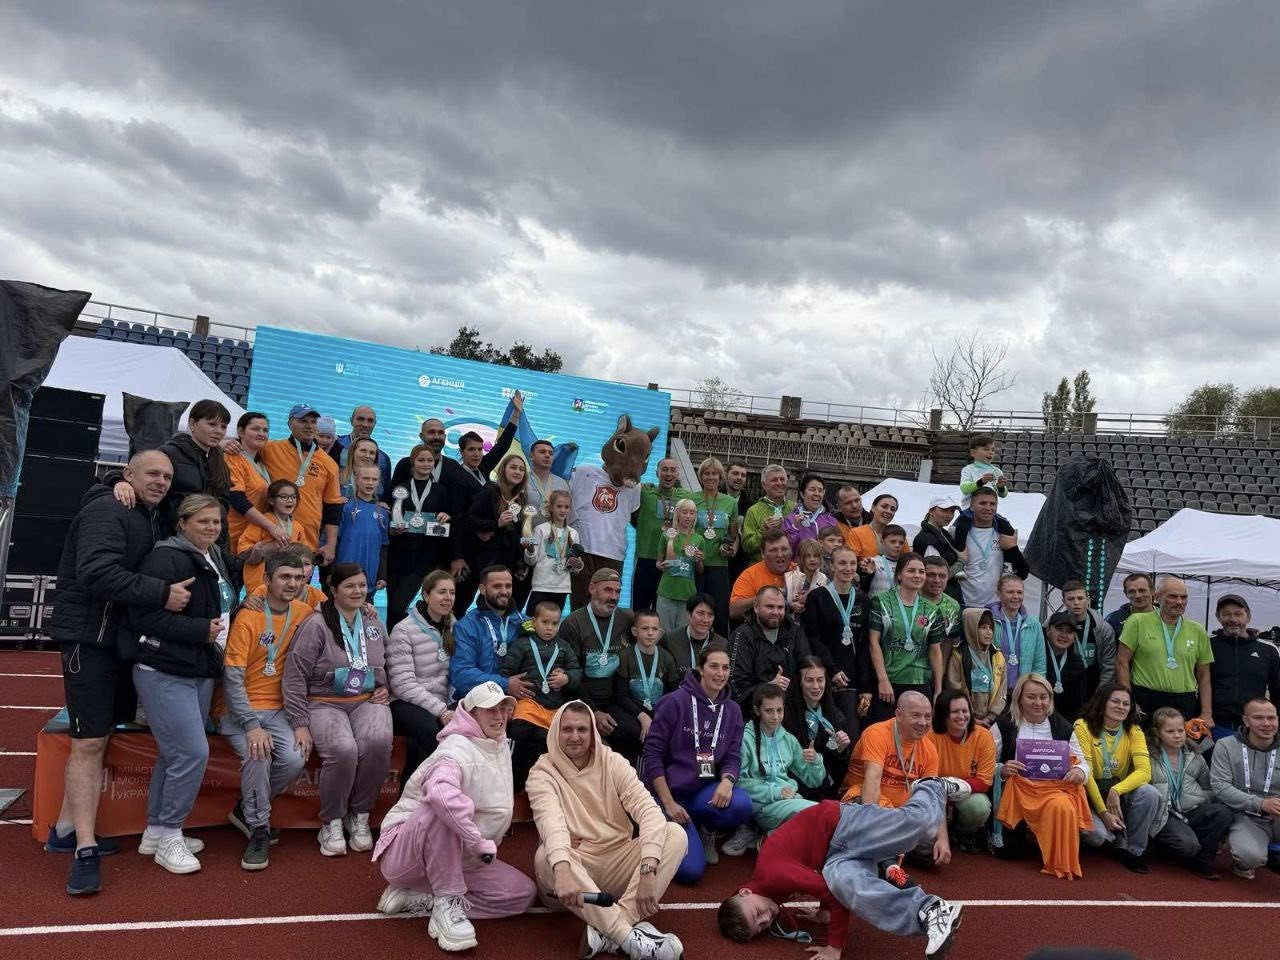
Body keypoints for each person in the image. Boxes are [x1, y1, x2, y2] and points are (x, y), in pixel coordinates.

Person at [49, 451, 181, 895]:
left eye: (167, 476)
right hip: (90, 640)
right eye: (152, 473)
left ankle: (65, 830)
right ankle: (85, 850)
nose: (161, 481)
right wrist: (161, 593)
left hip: (115, 640)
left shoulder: (146, 513)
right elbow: (97, 574)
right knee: (88, 742)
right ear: (128, 474)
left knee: (99, 736)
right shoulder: (109, 508)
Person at [123, 493, 242, 875]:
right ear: (183, 523)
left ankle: (157, 831)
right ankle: (172, 834)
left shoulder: (215, 556)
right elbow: (142, 617)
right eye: (203, 521)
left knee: (173, 754)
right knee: (192, 753)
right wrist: (199, 630)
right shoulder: (165, 558)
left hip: (198, 669)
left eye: (217, 522)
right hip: (164, 669)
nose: (212, 527)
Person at [716, 779, 967, 960]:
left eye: (757, 914)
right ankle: (930, 911)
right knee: (848, 886)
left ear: (745, 893)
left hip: (841, 825)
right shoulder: (769, 893)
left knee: (920, 828)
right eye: (761, 926)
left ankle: (930, 786)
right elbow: (825, 885)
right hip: (834, 857)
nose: (766, 919)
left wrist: (834, 946)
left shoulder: (771, 876)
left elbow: (826, 891)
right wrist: (823, 913)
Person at [373, 681, 537, 951]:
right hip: (407, 855)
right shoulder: (455, 748)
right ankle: (446, 902)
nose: (499, 716)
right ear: (471, 714)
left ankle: (424, 897)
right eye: (490, 710)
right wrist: (476, 840)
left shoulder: (496, 742)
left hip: (460, 856)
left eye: (503, 709)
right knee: (440, 808)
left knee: (521, 894)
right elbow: (440, 793)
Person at [529, 702, 688, 960]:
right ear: (556, 731)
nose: (575, 736)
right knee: (546, 857)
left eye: (582, 729)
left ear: (593, 732)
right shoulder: (541, 773)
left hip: (617, 862)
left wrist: (648, 868)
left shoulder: (613, 762)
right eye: (567, 729)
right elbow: (551, 823)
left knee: (675, 834)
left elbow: (649, 811)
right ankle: (628, 938)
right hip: (572, 878)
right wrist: (562, 868)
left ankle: (610, 930)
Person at [283, 562, 393, 857]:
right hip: (324, 701)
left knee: (378, 742)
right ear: (333, 590)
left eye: (362, 585)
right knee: (343, 750)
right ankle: (331, 820)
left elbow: (389, 659)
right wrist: (299, 722)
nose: (358, 591)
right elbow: (294, 675)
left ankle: (359, 815)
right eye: (349, 586)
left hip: (367, 699)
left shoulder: (372, 620)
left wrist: (387, 687)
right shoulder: (316, 624)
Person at [217, 552, 311, 871]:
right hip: (239, 709)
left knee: (296, 758)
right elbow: (232, 677)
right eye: (285, 577)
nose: (293, 584)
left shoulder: (304, 612)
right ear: (267, 580)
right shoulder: (249, 616)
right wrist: (250, 725)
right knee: (259, 753)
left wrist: (366, 608)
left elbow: (339, 608)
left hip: (278, 710)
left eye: (298, 578)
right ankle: (259, 827)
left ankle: (246, 807)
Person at [644, 643, 751, 882]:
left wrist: (727, 781)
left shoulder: (732, 710)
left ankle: (703, 827)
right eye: (714, 666)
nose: (720, 673)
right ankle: (659, 826)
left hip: (701, 792)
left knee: (741, 804)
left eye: (725, 668)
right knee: (690, 872)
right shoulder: (674, 702)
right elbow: (652, 755)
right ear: (700, 669)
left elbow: (733, 755)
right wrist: (668, 803)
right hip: (669, 795)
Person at [994, 674, 1092, 879]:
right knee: (1012, 852)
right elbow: (985, 764)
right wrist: (1002, 769)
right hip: (1016, 794)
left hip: (1053, 791)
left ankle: (1060, 860)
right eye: (1031, 697)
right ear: (1019, 698)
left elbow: (1083, 764)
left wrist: (1079, 772)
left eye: (1043, 697)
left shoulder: (1063, 727)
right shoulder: (1004, 725)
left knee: (1063, 806)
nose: (1038, 702)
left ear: (1050, 699)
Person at [725, 682, 826, 856]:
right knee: (818, 813)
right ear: (757, 711)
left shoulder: (788, 739)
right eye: (769, 711)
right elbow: (738, 782)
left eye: (779, 710)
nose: (776, 716)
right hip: (763, 806)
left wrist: (816, 761)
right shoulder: (746, 738)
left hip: (788, 802)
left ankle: (769, 839)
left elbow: (814, 781)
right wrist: (775, 792)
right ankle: (770, 839)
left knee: (821, 818)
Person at [110, 399, 232, 539]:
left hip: (209, 539)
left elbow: (223, 502)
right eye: (212, 424)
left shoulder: (219, 461)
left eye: (223, 427)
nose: (218, 431)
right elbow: (133, 472)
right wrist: (120, 482)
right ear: (192, 423)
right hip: (173, 536)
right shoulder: (170, 453)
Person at [1074, 683, 1160, 873]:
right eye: (1115, 701)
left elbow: (1145, 772)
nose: (1121, 707)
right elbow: (1086, 773)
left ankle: (1134, 851)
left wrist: (1116, 790)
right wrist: (1103, 812)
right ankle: (1115, 836)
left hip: (1116, 791)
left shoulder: (1134, 731)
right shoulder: (1082, 726)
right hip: (1090, 792)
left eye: (1126, 704)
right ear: (1102, 702)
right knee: (1097, 836)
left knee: (1150, 792)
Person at [556, 568, 639, 757]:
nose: (614, 597)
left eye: (618, 591)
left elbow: (652, 635)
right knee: (588, 743)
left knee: (632, 733)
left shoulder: (627, 619)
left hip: (613, 700)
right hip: (579, 700)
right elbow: (570, 675)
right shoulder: (573, 623)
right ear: (592, 588)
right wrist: (593, 712)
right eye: (608, 590)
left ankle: (621, 776)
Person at [501, 600, 582, 792]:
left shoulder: (563, 647)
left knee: (545, 742)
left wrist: (567, 678)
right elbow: (505, 672)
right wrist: (509, 691)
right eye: (545, 622)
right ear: (534, 621)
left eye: (554, 623)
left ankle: (540, 788)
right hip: (528, 704)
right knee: (518, 735)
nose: (549, 628)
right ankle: (512, 786)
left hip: (554, 708)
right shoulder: (521, 644)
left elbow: (577, 672)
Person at [387, 570, 457, 783]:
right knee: (427, 730)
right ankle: (410, 794)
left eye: (452, 592)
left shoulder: (453, 626)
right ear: (426, 595)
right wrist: (441, 710)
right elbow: (402, 684)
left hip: (441, 700)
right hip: (407, 701)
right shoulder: (403, 630)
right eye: (441, 592)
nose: (448, 598)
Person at [1147, 706, 1233, 880]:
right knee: (1188, 846)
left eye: (1180, 730)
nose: (1177, 735)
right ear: (1157, 733)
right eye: (1170, 731)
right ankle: (1162, 848)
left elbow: (1210, 788)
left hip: (1190, 810)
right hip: (1166, 814)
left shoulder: (1195, 756)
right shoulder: (1148, 756)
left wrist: (1198, 798)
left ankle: (1202, 861)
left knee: (1222, 812)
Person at [1116, 575, 1214, 723]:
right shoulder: (1137, 622)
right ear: (1157, 597)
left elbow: (1204, 675)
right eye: (1172, 596)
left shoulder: (1198, 630)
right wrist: (1128, 702)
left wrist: (1206, 713)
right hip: (1146, 699)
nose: (1179, 602)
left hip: (1184, 701)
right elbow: (1121, 662)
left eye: (1183, 597)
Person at [801, 545, 872, 743]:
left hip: (853, 680)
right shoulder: (817, 597)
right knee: (829, 738)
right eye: (842, 563)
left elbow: (864, 644)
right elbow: (813, 638)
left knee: (852, 737)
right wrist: (831, 669)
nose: (848, 568)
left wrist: (866, 686)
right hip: (825, 678)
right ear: (831, 566)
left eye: (852, 563)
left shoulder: (862, 599)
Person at [258, 403, 344, 564]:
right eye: (303, 421)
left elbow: (332, 507)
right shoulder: (270, 449)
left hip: (306, 541)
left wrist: (331, 544)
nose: (309, 426)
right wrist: (224, 443)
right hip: (271, 537)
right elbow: (243, 448)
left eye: (313, 422)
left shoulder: (329, 464)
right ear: (290, 423)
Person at [867, 554, 947, 723]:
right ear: (899, 575)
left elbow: (935, 650)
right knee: (886, 732)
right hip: (889, 681)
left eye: (921, 571)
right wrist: (883, 679)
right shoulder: (880, 602)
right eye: (911, 571)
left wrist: (938, 689)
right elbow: (873, 642)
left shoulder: (932, 610)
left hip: (919, 682)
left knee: (918, 732)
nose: (917, 575)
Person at [1209, 697, 1280, 880]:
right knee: (1250, 857)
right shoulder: (1226, 745)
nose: (1266, 723)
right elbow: (1220, 787)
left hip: (1277, 814)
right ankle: (1240, 860)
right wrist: (1261, 803)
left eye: (1271, 718)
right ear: (1246, 720)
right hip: (1245, 814)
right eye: (1258, 718)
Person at [385, 443, 454, 630]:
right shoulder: (400, 488)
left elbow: (448, 521)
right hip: (398, 554)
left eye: (429, 460)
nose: (426, 464)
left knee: (399, 606)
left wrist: (445, 517)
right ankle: (392, 644)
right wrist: (393, 529)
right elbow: (390, 516)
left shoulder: (441, 490)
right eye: (421, 460)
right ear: (413, 462)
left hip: (425, 557)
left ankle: (407, 637)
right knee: (393, 607)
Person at [928, 689, 996, 851]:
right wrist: (945, 800)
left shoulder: (984, 736)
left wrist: (950, 795)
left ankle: (962, 832)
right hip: (935, 794)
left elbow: (984, 782)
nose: (962, 716)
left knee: (979, 806)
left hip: (964, 794)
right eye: (955, 712)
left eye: (965, 711)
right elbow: (926, 779)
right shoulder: (930, 736)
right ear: (944, 714)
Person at [449, 566, 530, 702]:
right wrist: (505, 684)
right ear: (482, 589)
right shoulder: (466, 626)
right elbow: (461, 674)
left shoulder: (526, 623)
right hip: (479, 700)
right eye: (497, 586)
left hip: (522, 699)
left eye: (508, 586)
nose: (504, 591)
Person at [468, 452, 534, 614]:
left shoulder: (521, 498)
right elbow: (471, 521)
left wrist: (522, 559)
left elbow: (519, 531)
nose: (517, 472)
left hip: (512, 560)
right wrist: (496, 524)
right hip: (490, 559)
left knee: (509, 604)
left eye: (521, 469)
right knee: (489, 602)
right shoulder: (490, 491)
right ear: (503, 469)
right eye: (513, 468)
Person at [729, 586, 814, 710]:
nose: (776, 612)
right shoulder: (742, 635)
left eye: (780, 607)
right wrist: (768, 688)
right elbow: (737, 686)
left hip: (792, 710)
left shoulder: (794, 632)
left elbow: (807, 667)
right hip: (754, 712)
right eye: (770, 607)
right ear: (756, 607)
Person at [1210, 594, 1280, 741]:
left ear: (1248, 616)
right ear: (1218, 617)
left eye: (1238, 614)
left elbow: (1277, 691)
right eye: (1226, 614)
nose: (1232, 619)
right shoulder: (1208, 645)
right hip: (1214, 726)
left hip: (1254, 728)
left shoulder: (1268, 650)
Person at [781, 657, 851, 799]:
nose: (816, 686)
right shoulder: (784, 714)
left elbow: (839, 768)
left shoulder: (835, 716)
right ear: (799, 682)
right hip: (793, 791)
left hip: (827, 790)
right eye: (809, 680)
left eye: (820, 680)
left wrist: (841, 750)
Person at [226, 411, 291, 552]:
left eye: (265, 430)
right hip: (233, 534)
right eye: (255, 429)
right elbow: (237, 500)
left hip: (253, 536)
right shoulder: (232, 459)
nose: (261, 434)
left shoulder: (261, 464)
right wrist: (271, 526)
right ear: (240, 432)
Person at [613, 609, 681, 744]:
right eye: (645, 628)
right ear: (634, 631)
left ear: (659, 632)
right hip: (634, 710)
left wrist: (660, 716)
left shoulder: (667, 658)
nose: (650, 633)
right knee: (631, 731)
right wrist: (642, 715)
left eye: (655, 629)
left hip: (660, 710)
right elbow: (621, 695)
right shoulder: (625, 656)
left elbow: (673, 692)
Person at [691, 457, 740, 635]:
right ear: (701, 476)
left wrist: (728, 546)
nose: (710, 477)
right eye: (706, 473)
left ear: (721, 477)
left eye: (715, 474)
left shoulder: (730, 503)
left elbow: (732, 533)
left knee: (719, 614)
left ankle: (719, 647)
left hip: (719, 565)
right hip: (695, 564)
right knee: (694, 610)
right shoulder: (692, 499)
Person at [632, 458, 686, 612]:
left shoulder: (685, 497)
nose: (668, 474)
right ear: (657, 473)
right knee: (639, 609)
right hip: (646, 557)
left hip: (671, 561)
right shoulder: (645, 492)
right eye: (664, 469)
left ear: (677, 474)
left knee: (664, 611)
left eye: (673, 470)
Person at [237, 479, 309, 594]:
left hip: (287, 584)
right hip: (260, 583)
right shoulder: (261, 523)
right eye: (284, 497)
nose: (290, 500)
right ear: (271, 500)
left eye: (293, 497)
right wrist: (264, 549)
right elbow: (242, 551)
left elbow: (304, 554)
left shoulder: (298, 527)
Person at [958, 487, 1019, 608]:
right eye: (983, 503)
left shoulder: (1003, 534)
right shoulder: (957, 532)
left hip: (995, 605)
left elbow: (1019, 571)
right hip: (963, 603)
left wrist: (1014, 548)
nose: (988, 508)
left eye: (992, 504)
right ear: (971, 505)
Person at [335, 463, 389, 598]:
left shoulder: (383, 512)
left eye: (374, 479)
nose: (370, 483)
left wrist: (382, 575)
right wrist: (332, 571)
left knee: (367, 609)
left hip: (369, 579)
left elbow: (383, 547)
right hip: (344, 575)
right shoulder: (346, 507)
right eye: (365, 478)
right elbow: (335, 540)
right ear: (356, 479)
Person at [523, 489, 580, 615]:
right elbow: (531, 561)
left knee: (553, 622)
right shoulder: (540, 530)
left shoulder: (574, 534)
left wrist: (576, 565)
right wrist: (530, 550)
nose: (563, 510)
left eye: (566, 507)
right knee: (531, 621)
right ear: (551, 508)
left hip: (562, 588)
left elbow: (574, 570)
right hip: (541, 585)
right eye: (559, 506)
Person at [947, 607, 1007, 726]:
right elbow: (954, 688)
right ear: (971, 628)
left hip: (992, 721)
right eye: (983, 627)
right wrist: (968, 717)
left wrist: (990, 717)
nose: (989, 632)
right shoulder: (959, 654)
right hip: (964, 719)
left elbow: (1002, 690)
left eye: (991, 628)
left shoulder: (998, 656)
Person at [990, 574, 1047, 694]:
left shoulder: (1034, 625)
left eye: (1020, 592)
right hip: (993, 691)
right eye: (1010, 592)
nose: (1016, 596)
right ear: (999, 594)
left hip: (1022, 693)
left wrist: (1034, 690)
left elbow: (1039, 664)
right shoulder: (988, 621)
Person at [655, 498, 704, 632]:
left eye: (692, 513)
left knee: (682, 635)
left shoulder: (699, 540)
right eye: (684, 512)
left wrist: (699, 561)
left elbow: (700, 571)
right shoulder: (666, 536)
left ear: (695, 516)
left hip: (688, 594)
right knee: (663, 633)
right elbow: (658, 562)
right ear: (677, 514)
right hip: (667, 592)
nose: (688, 516)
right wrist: (660, 565)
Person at [1059, 579, 1117, 687]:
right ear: (1063, 601)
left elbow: (1109, 665)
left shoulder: (1104, 629)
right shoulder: (1052, 626)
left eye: (1080, 598)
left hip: (1095, 687)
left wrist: (1101, 692)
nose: (1076, 603)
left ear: (1088, 600)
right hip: (1062, 687)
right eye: (1070, 599)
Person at [729, 527, 792, 621]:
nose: (780, 554)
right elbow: (734, 611)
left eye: (784, 549)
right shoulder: (750, 575)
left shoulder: (800, 571)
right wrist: (764, 598)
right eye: (773, 550)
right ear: (763, 554)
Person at [1043, 611, 1094, 721]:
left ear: (1074, 636)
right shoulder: (1037, 657)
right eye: (1059, 629)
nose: (1064, 635)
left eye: (1069, 631)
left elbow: (1079, 704)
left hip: (1066, 723)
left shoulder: (1077, 664)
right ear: (1048, 630)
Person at [330, 405, 392, 496]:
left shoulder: (383, 458)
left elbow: (386, 495)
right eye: (360, 419)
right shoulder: (334, 445)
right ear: (351, 421)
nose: (365, 424)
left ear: (375, 424)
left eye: (370, 421)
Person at [660, 593, 725, 678]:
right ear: (688, 614)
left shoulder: (721, 643)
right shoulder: (670, 640)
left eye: (710, 615)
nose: (705, 620)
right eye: (700, 613)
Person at [912, 497, 964, 604]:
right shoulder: (927, 538)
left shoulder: (943, 533)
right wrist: (961, 562)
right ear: (931, 511)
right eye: (944, 510)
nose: (949, 515)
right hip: (937, 601)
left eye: (952, 511)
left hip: (948, 596)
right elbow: (934, 575)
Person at [740, 464, 794, 564]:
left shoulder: (795, 509)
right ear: (764, 484)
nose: (779, 483)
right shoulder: (753, 511)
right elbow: (747, 547)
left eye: (782, 479)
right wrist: (763, 531)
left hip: (790, 569)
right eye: (774, 480)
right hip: (761, 569)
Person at [781, 473, 837, 554]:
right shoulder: (790, 519)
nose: (817, 494)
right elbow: (787, 550)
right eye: (812, 489)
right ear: (802, 494)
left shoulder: (831, 521)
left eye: (820, 490)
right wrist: (795, 528)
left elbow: (837, 550)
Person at [959, 433, 1008, 508]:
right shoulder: (968, 470)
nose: (991, 452)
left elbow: (1003, 494)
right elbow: (964, 489)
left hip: (989, 511)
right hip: (970, 511)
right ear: (973, 452)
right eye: (986, 449)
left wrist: (1001, 487)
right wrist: (981, 482)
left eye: (993, 450)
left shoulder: (997, 471)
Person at [921, 555, 963, 643]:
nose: (937, 580)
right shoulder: (909, 601)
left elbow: (952, 639)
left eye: (942, 576)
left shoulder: (953, 606)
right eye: (931, 575)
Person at [782, 539, 827, 616]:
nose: (812, 559)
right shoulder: (789, 578)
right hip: (794, 621)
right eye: (808, 556)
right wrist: (791, 606)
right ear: (800, 558)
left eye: (815, 556)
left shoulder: (824, 579)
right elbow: (781, 601)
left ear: (820, 558)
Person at [524, 438, 570, 513]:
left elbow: (569, 513)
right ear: (531, 456)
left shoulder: (562, 483)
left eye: (551, 454)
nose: (547, 455)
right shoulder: (522, 480)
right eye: (542, 452)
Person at [834, 484, 878, 561]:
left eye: (857, 500)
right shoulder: (832, 524)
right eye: (848, 503)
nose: (854, 506)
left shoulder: (874, 522)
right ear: (839, 507)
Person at [1104, 573, 1155, 639]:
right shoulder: (1113, 620)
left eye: (1142, 590)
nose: (1137, 596)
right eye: (1132, 591)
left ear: (1153, 591)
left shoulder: (1164, 617)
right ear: (1126, 594)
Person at [864, 523, 907, 596]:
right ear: (882, 541)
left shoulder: (905, 564)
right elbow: (864, 587)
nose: (897, 545)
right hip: (877, 602)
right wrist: (868, 574)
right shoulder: (873, 562)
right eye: (893, 541)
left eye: (901, 543)